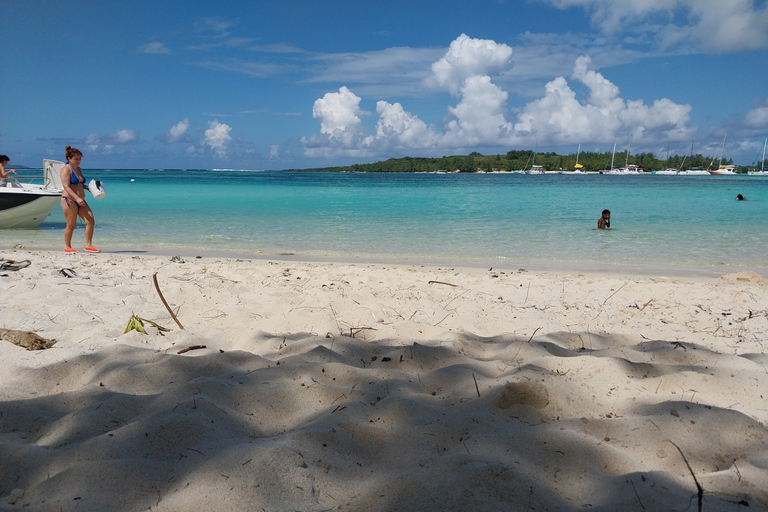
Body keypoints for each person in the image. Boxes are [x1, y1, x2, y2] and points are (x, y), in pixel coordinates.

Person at [60, 146, 99, 253]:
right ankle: (67, 247)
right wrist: (77, 198)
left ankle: (88, 245)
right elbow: (66, 186)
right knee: (71, 225)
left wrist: (88, 188)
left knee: (90, 221)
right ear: (69, 158)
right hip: (69, 200)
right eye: (76, 159)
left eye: (80, 159)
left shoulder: (79, 169)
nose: (78, 161)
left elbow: (79, 184)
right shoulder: (66, 169)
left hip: (80, 200)